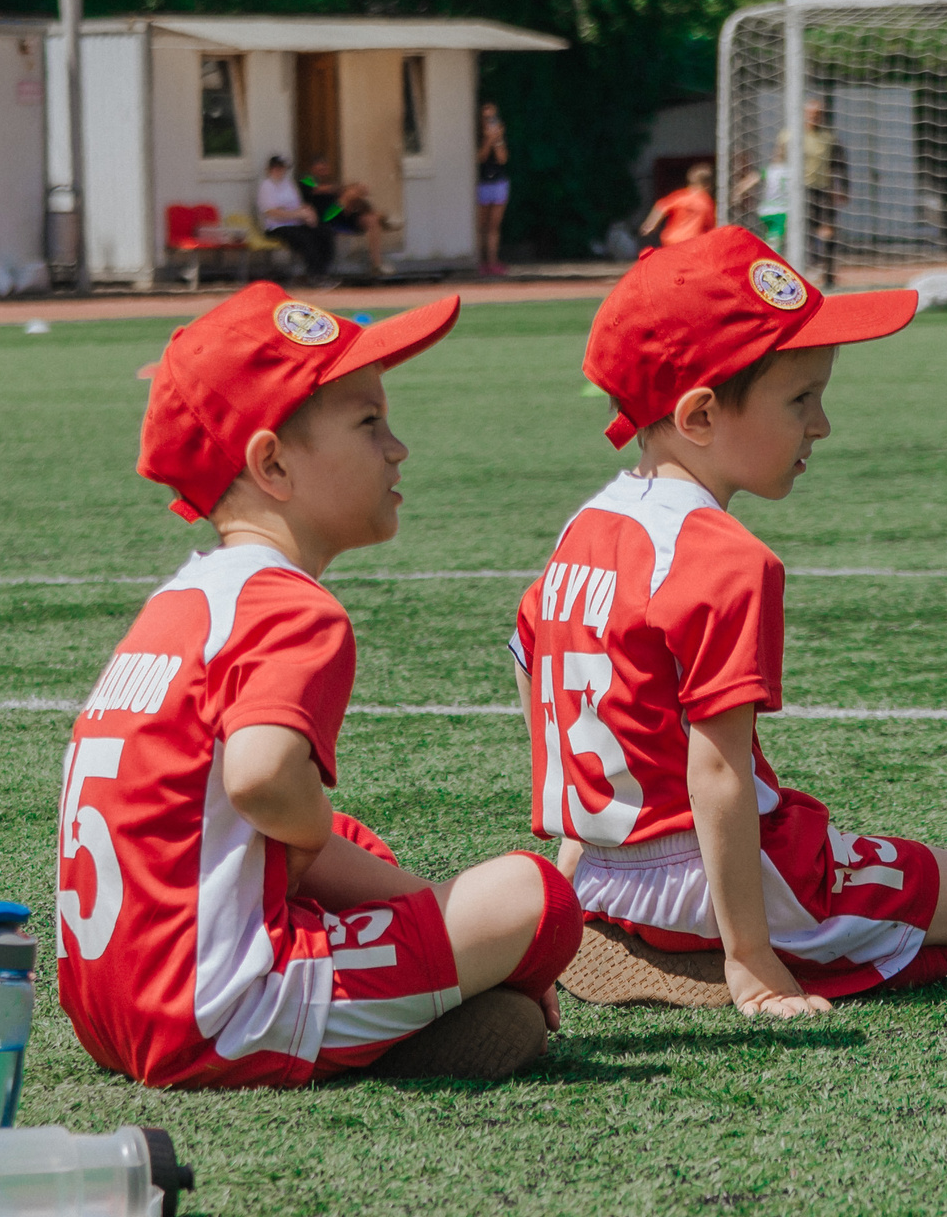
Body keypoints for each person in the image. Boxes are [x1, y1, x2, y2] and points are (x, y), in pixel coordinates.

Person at [55, 283, 586, 1087]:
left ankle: (422, 999)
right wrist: (482, 936)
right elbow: (263, 778)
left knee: (353, 843)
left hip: (111, 1009)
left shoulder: (178, 605)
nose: (398, 447)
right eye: (369, 423)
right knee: (533, 897)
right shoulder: (293, 607)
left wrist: (417, 903)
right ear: (271, 464)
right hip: (221, 1011)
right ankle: (400, 1023)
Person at [516, 227, 947, 1015]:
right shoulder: (725, 557)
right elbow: (715, 774)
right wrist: (751, 962)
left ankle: (641, 936)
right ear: (700, 415)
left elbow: (543, 680)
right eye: (800, 399)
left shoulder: (585, 527)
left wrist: (572, 873)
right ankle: (713, 963)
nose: (822, 425)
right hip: (710, 881)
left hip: (604, 875)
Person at [298, 155, 389, 278]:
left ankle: (376, 264)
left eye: (324, 169)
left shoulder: (331, 182)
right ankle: (378, 216)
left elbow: (339, 191)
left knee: (371, 219)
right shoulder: (305, 179)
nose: (322, 172)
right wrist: (347, 190)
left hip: (342, 215)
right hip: (326, 216)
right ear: (312, 169)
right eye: (319, 169)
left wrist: (354, 190)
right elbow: (317, 189)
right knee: (349, 194)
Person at [257, 155, 334, 283]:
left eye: (283, 168)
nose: (281, 171)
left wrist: (309, 214)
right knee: (305, 239)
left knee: (323, 232)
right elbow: (271, 212)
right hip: (276, 226)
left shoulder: (288, 184)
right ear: (271, 169)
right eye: (278, 168)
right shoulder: (267, 186)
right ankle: (315, 275)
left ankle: (323, 271)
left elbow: (298, 204)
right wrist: (296, 215)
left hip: (295, 222)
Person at [801, 97, 847, 285]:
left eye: (818, 114)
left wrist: (843, 188)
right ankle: (805, 269)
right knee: (802, 232)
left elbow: (841, 165)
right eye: (811, 114)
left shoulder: (829, 139)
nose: (814, 117)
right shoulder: (790, 136)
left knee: (827, 231)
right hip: (799, 192)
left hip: (822, 190)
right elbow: (778, 163)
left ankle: (828, 272)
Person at [638, 163, 717, 247]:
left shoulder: (680, 196)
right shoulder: (706, 202)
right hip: (693, 241)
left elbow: (661, 206)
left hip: (673, 239)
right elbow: (711, 223)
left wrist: (651, 225)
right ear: (708, 185)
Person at [474, 102, 509, 277]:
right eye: (486, 117)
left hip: (498, 182)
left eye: (492, 117)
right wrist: (488, 140)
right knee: (481, 225)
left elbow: (503, 159)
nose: (490, 121)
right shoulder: (477, 136)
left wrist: (497, 140)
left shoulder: (500, 136)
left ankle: (493, 261)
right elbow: (481, 157)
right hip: (482, 183)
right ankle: (480, 262)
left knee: (494, 226)